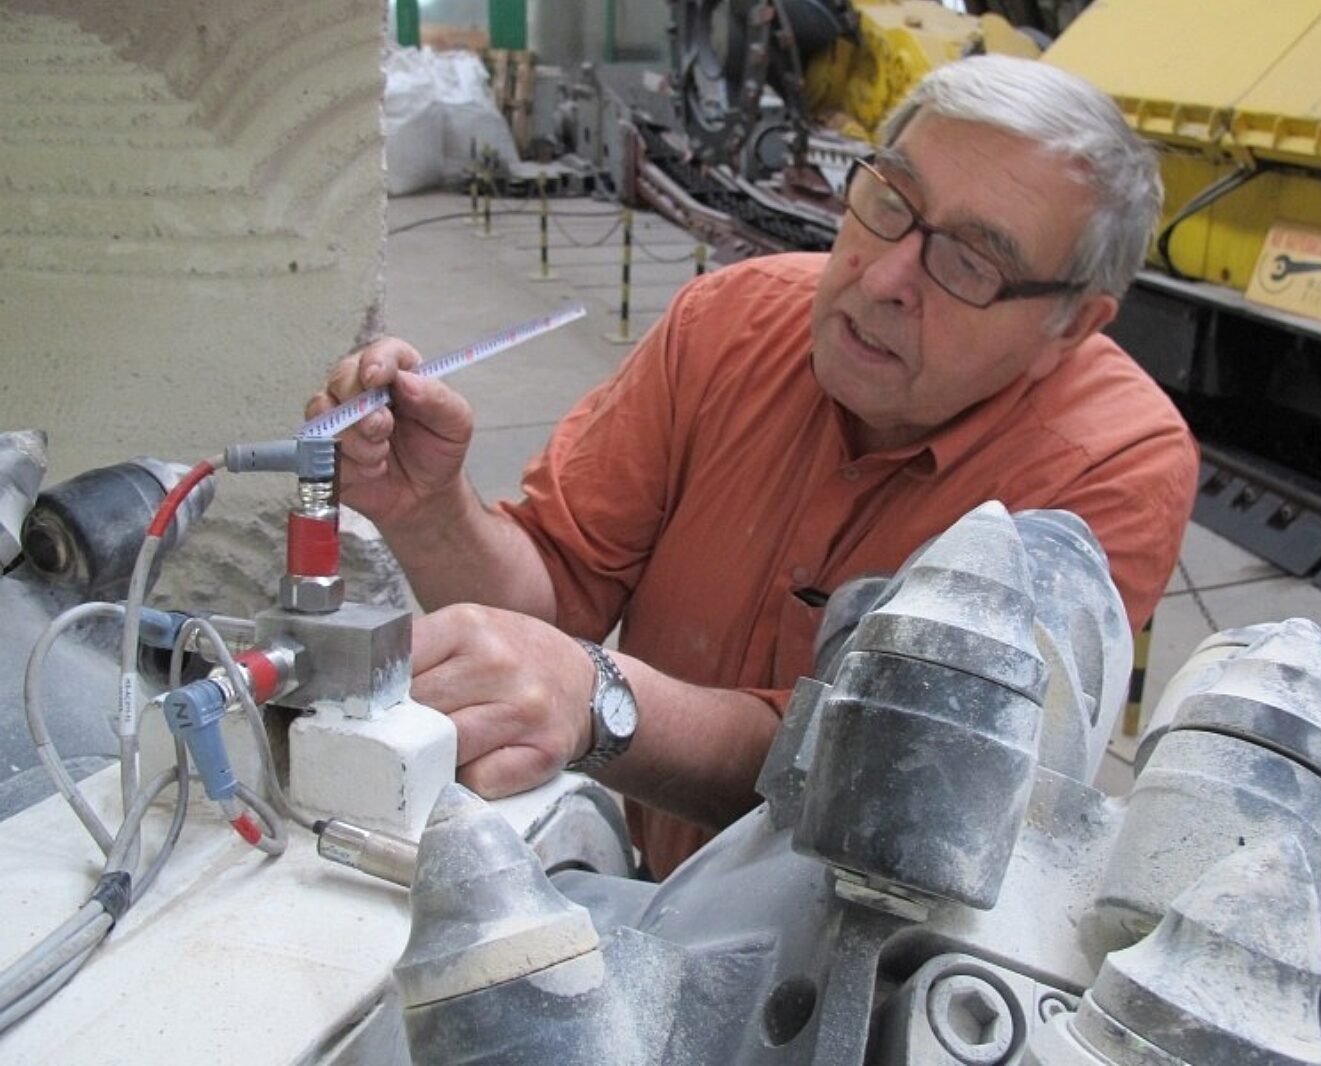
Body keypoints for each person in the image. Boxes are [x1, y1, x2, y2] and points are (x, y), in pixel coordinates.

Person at [307, 55, 1198, 879]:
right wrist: (430, 509)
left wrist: (602, 698)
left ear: (1070, 327)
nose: (885, 278)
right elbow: (554, 599)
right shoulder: (729, 322)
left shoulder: (1110, 468)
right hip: (652, 885)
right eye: (890, 202)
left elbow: (892, 782)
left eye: (969, 263)